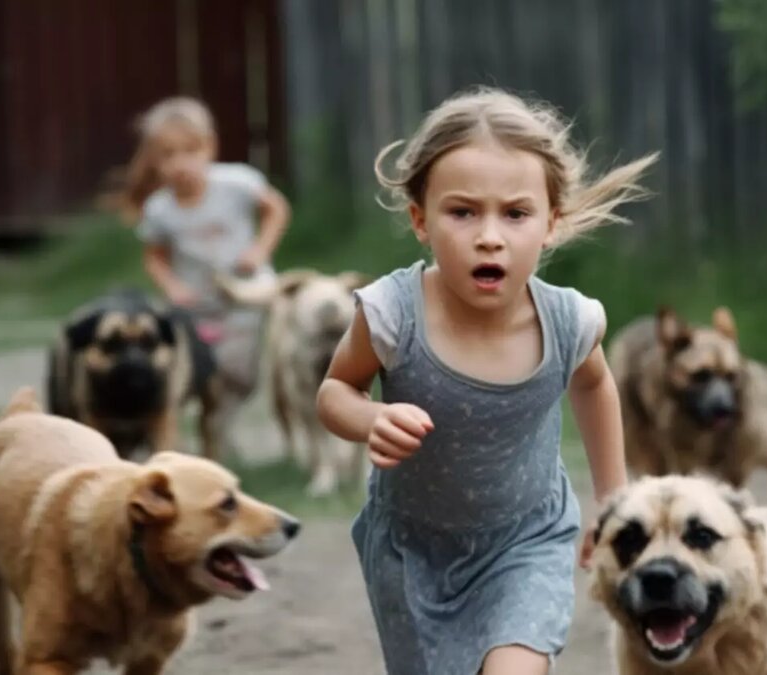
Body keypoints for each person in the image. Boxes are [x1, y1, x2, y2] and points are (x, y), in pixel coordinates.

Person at [316, 86, 656, 675]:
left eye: (516, 214)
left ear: (551, 224)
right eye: (463, 212)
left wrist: (613, 501)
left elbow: (594, 386)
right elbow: (334, 392)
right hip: (413, 552)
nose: (490, 236)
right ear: (421, 220)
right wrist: (371, 417)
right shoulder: (392, 316)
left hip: (528, 539)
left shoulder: (570, 321)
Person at [108, 96, 291, 448]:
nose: (181, 163)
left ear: (210, 147)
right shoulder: (160, 209)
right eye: (168, 154)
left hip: (244, 299)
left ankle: (220, 419)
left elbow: (277, 209)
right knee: (204, 374)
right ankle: (205, 430)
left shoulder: (237, 183)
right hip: (197, 307)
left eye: (190, 151)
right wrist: (173, 288)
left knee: (242, 376)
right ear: (154, 160)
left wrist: (259, 250)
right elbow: (155, 258)